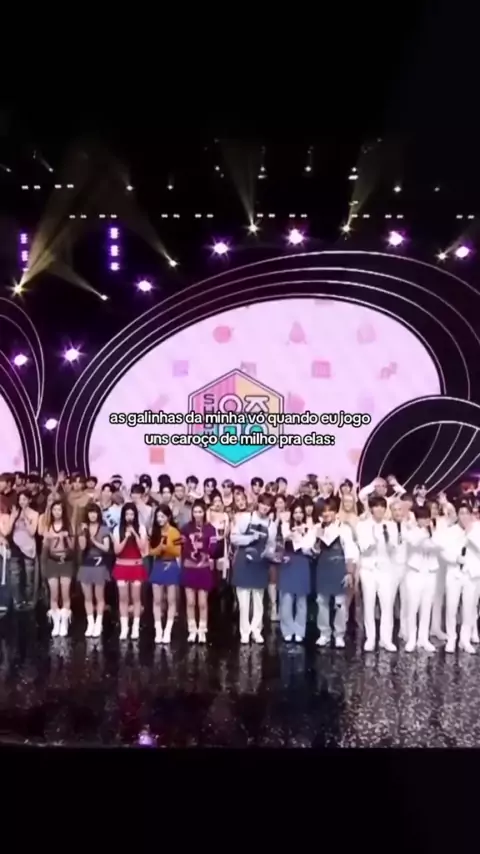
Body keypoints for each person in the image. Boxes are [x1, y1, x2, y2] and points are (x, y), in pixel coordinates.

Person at [230, 493, 277, 644]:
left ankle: (256, 631)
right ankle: (244, 632)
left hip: (260, 563)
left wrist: (269, 554)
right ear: (258, 503)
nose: (265, 508)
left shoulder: (271, 525)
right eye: (263, 504)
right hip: (244, 562)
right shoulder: (246, 518)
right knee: (244, 602)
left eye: (268, 505)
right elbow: (233, 537)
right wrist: (250, 538)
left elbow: (271, 545)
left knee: (258, 600)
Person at [312, 497, 357, 648]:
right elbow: (314, 551)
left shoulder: (343, 528)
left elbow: (350, 550)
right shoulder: (317, 528)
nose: (327, 514)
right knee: (322, 601)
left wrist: (349, 572)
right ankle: (324, 633)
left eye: (330, 510)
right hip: (323, 567)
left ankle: (339, 634)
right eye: (323, 511)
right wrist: (317, 539)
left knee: (340, 603)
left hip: (339, 567)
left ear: (335, 512)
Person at [356, 496, 398, 651]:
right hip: (368, 569)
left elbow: (394, 549)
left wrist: (387, 540)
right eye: (376, 506)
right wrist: (373, 540)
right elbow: (363, 548)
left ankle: (386, 639)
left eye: (382, 506)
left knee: (387, 605)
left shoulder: (391, 526)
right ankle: (370, 638)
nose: (379, 509)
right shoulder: (362, 525)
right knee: (369, 604)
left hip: (386, 570)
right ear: (371, 508)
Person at [441, 501, 480, 654]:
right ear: (457, 515)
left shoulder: (477, 529)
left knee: (469, 609)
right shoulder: (450, 531)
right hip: (454, 573)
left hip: (472, 575)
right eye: (461, 513)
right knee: (451, 607)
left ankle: (465, 640)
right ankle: (451, 638)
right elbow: (444, 552)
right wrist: (455, 559)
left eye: (467, 513)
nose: (464, 517)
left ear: (471, 515)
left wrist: (470, 533)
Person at [403, 506, 442, 652]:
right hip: (414, 573)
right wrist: (424, 532)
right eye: (422, 518)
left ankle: (423, 638)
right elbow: (414, 542)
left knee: (427, 607)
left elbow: (440, 545)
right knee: (413, 607)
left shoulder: (434, 532)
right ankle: (412, 638)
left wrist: (431, 533)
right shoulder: (411, 531)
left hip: (430, 573)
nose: (425, 521)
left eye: (427, 517)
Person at [180, 500, 217, 643]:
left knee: (202, 602)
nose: (197, 514)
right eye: (195, 512)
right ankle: (192, 629)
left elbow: (213, 548)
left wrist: (204, 553)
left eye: (200, 512)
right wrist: (191, 553)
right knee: (190, 602)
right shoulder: (186, 528)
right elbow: (182, 546)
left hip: (203, 568)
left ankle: (202, 630)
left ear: (204, 513)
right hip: (189, 567)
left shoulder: (210, 529)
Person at [112, 502, 148, 640]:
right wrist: (126, 537)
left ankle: (135, 627)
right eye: (127, 514)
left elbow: (142, 548)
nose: (129, 517)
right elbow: (116, 550)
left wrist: (135, 533)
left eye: (132, 514)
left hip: (136, 566)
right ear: (123, 515)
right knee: (123, 598)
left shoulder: (141, 528)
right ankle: (124, 627)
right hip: (122, 566)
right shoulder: (117, 529)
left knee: (136, 598)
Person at [39, 500, 75, 637]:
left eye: (59, 510)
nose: (57, 512)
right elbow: (45, 548)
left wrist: (67, 537)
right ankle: (56, 623)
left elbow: (72, 547)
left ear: (63, 511)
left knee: (65, 593)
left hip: (65, 561)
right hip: (52, 561)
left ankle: (65, 622)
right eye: (54, 510)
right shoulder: (48, 527)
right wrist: (49, 538)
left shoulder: (68, 526)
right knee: (54, 594)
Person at [278, 501, 312, 642]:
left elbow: (308, 547)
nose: (298, 515)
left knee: (301, 599)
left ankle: (299, 630)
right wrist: (293, 532)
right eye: (296, 512)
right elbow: (285, 537)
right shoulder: (286, 525)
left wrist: (303, 534)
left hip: (302, 562)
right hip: (289, 561)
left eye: (300, 512)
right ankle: (287, 629)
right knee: (286, 598)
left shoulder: (309, 527)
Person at [149, 504, 182, 643]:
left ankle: (168, 629)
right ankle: (158, 629)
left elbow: (178, 551)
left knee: (171, 600)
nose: (159, 519)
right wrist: (159, 548)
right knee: (157, 600)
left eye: (162, 516)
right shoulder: (154, 531)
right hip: (158, 565)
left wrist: (166, 546)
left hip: (171, 565)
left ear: (168, 517)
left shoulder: (175, 532)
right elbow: (150, 551)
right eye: (158, 517)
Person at [77, 503, 111, 637]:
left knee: (99, 596)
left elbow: (106, 548)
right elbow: (82, 547)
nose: (92, 515)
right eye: (90, 512)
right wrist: (83, 533)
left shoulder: (103, 529)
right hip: (86, 565)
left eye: (95, 512)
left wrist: (94, 541)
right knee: (88, 597)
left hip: (99, 565)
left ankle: (98, 622)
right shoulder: (83, 529)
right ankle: (90, 623)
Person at [4, 491, 39, 610]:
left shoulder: (34, 514)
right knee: (15, 575)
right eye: (20, 500)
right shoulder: (15, 512)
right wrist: (13, 518)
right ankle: (17, 600)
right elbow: (8, 531)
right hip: (15, 546)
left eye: (24, 499)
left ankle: (29, 600)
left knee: (29, 576)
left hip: (28, 547)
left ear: (29, 500)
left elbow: (32, 532)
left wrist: (26, 520)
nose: (22, 502)